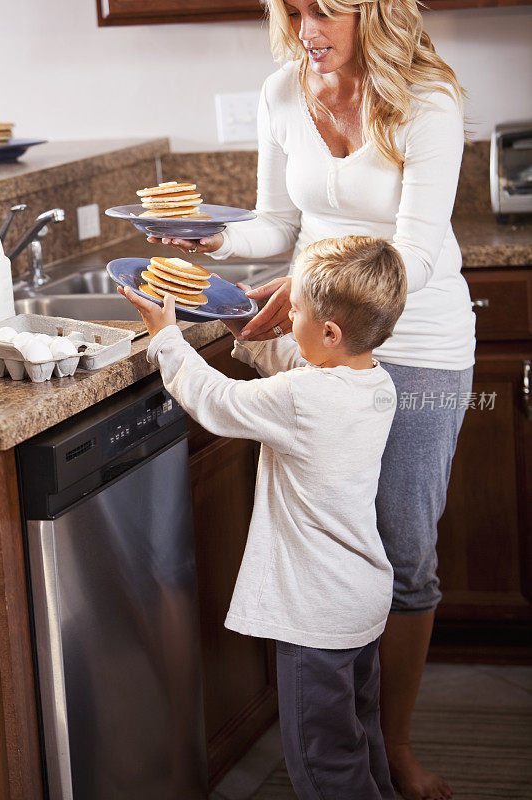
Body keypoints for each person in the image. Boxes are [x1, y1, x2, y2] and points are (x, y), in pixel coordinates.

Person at [151, 2, 476, 798]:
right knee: (326, 547)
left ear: (374, 12)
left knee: (402, 554)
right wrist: (218, 239)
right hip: (319, 345)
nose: (304, 28)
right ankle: (345, 739)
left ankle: (389, 749)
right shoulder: (282, 91)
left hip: (420, 349)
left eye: (323, 11)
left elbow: (418, 252)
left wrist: (306, 281)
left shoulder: (427, 100)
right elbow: (276, 222)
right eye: (291, 9)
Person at [120, 234, 407, 800]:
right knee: (359, 739)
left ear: (330, 332)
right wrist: (242, 330)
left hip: (314, 613)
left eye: (294, 309)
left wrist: (166, 337)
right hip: (361, 603)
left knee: (322, 763)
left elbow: (217, 400)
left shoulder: (302, 399)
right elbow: (300, 370)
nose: (287, 317)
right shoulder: (376, 384)